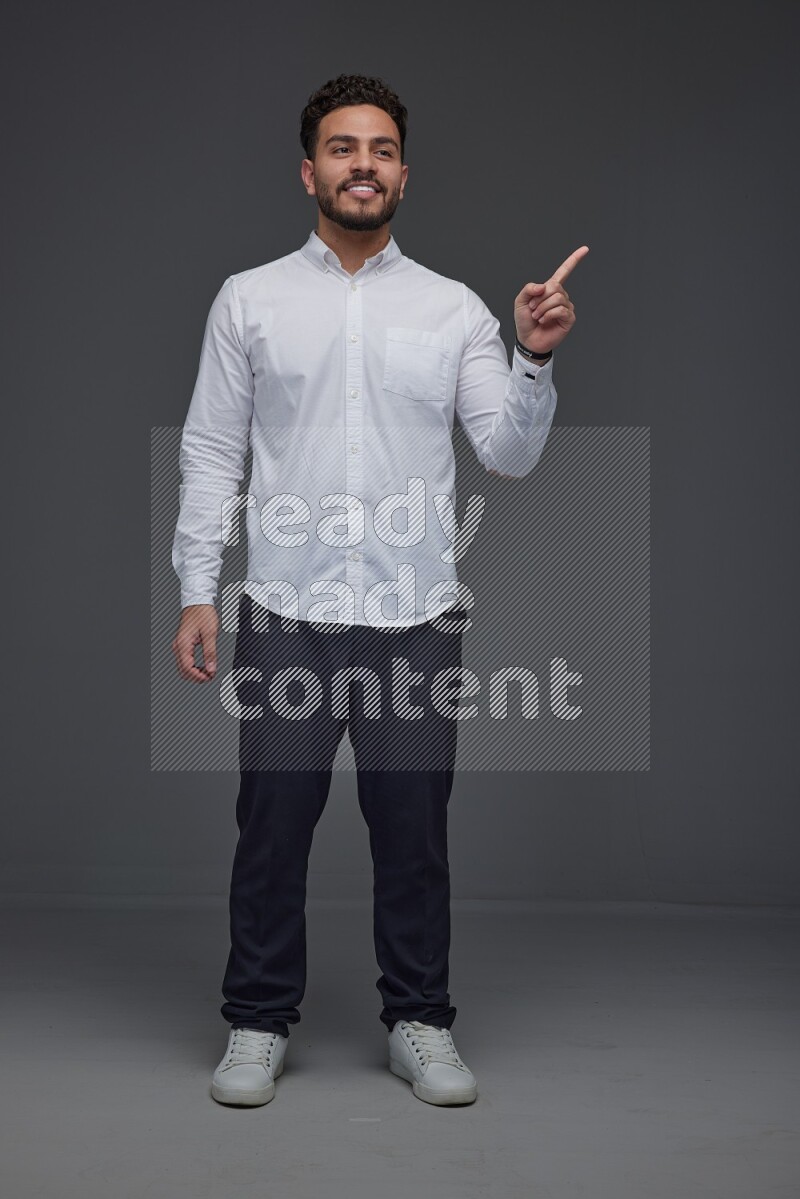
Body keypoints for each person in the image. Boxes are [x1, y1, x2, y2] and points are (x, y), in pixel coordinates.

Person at [171, 73, 587, 1108]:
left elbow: (506, 453)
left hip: (414, 621)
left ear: (404, 170)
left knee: (413, 828)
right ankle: (257, 1019)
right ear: (307, 168)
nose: (364, 163)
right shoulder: (249, 299)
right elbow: (211, 453)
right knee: (271, 824)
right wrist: (193, 590)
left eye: (383, 148)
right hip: (283, 615)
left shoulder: (450, 307)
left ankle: (419, 1019)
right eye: (343, 147)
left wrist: (530, 360)